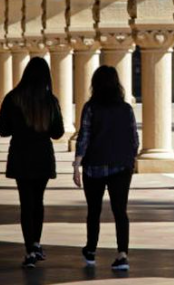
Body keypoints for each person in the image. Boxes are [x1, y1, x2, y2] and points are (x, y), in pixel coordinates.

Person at [0, 57, 65, 269]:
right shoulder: (50, 100)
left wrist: (19, 127)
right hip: (42, 156)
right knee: (38, 201)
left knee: (26, 203)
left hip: (21, 155)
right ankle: (36, 242)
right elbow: (58, 132)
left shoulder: (13, 98)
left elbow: (2, 130)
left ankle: (29, 250)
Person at [73, 65, 139, 271]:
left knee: (94, 210)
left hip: (94, 166)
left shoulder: (91, 107)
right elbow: (134, 139)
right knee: (120, 211)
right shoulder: (126, 109)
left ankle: (91, 250)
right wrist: (129, 161)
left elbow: (84, 136)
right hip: (121, 167)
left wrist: (77, 164)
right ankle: (122, 254)